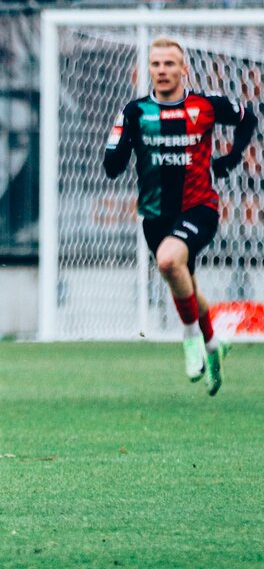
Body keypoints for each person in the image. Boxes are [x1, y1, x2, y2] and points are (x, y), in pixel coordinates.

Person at [103, 37, 257, 396]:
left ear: (183, 69)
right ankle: (214, 345)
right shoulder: (135, 112)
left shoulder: (205, 105)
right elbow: (112, 166)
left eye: (169, 64)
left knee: (168, 261)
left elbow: (247, 117)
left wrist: (232, 158)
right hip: (155, 216)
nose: (162, 70)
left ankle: (190, 339)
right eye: (156, 64)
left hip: (200, 208)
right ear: (148, 70)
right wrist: (122, 147)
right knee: (184, 282)